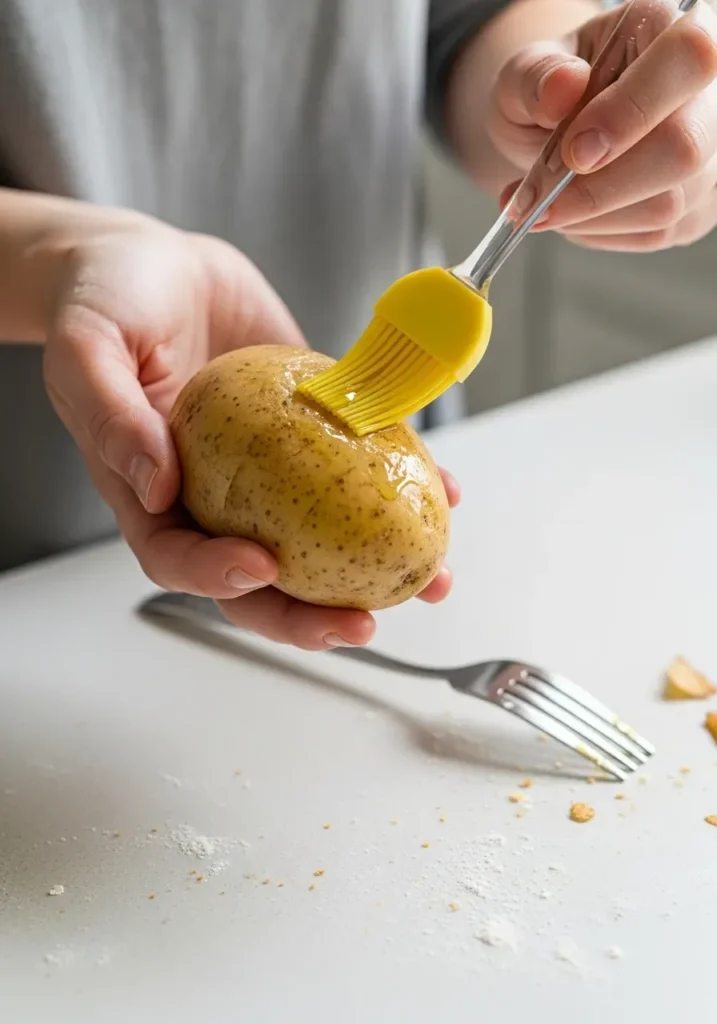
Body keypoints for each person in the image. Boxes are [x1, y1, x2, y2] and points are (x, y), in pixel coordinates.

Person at [1, 0, 716, 649]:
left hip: (383, 399)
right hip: (33, 529)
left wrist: (547, 93)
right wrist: (59, 259)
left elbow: (467, 19)